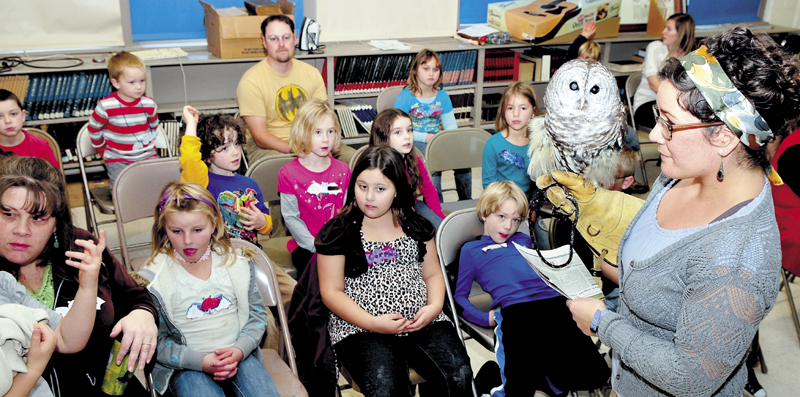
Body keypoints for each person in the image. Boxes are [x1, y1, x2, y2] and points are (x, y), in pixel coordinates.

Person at [543, 27, 800, 396]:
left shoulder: (739, 259)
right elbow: (666, 277)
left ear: (725, 136)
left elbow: (690, 377)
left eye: (669, 123)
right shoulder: (682, 174)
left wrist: (602, 323)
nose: (654, 135)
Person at [316, 145, 472, 396]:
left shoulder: (416, 225)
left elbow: (432, 274)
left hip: (421, 319)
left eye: (380, 189)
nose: (369, 197)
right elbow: (331, 292)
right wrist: (373, 323)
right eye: (362, 186)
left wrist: (433, 308)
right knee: (386, 388)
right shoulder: (338, 231)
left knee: (458, 375)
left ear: (397, 189)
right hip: (362, 326)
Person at [0, 155, 158, 396]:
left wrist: (143, 315)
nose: (22, 231)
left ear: (55, 222)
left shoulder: (83, 248)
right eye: (8, 214)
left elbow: (135, 296)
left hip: (109, 388)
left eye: (38, 217)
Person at [454, 181, 610, 397]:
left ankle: (548, 381)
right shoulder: (472, 250)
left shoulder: (524, 240)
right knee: (519, 387)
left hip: (554, 303)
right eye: (501, 216)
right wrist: (483, 318)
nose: (508, 226)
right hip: (517, 310)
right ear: (484, 213)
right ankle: (493, 382)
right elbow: (458, 297)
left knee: (594, 373)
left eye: (516, 219)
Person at [137, 182, 279, 397]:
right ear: (163, 228)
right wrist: (200, 361)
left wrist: (239, 350)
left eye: (197, 230)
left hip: (239, 355)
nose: (187, 240)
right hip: (185, 366)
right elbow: (158, 342)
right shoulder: (156, 278)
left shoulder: (235, 265)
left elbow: (257, 317)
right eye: (176, 231)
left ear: (214, 225)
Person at [237, 14, 356, 165]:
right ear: (264, 43)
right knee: (288, 168)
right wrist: (299, 151)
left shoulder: (311, 73)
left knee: (355, 160)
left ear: (295, 38)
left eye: (286, 37)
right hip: (271, 148)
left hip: (315, 139)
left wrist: (321, 146)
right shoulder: (251, 81)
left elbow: (324, 117)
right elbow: (261, 137)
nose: (281, 44)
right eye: (273, 39)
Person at [179, 106, 272, 246]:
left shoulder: (250, 184)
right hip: (216, 256)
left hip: (249, 254)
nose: (235, 152)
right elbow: (190, 158)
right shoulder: (201, 183)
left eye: (237, 143)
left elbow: (267, 225)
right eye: (224, 148)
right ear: (206, 156)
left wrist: (262, 222)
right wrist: (191, 124)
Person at [278, 99, 351, 275]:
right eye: (317, 132)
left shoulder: (343, 170)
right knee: (318, 278)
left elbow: (348, 210)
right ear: (302, 134)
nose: (326, 139)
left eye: (330, 131)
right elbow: (291, 218)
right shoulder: (288, 174)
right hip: (307, 247)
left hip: (339, 243)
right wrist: (315, 246)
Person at [394, 48, 471, 201]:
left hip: (437, 139)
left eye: (435, 69)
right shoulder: (405, 97)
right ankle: (437, 203)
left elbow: (451, 125)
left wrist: (444, 139)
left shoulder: (442, 95)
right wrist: (427, 137)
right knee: (433, 163)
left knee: (463, 158)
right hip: (414, 140)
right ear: (416, 70)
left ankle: (466, 201)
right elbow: (398, 130)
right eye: (426, 68)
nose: (431, 74)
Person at [482, 81, 551, 249]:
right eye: (510, 108)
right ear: (503, 112)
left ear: (534, 111)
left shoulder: (539, 145)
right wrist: (506, 212)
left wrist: (532, 208)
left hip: (527, 208)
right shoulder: (493, 144)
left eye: (523, 108)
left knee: (544, 241)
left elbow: (540, 184)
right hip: (500, 207)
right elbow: (489, 184)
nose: (516, 114)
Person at [87, 51, 159, 189]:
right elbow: (93, 129)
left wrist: (146, 142)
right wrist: (102, 149)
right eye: (132, 82)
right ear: (116, 83)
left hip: (147, 155)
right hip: (118, 158)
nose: (139, 87)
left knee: (156, 188)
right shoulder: (106, 107)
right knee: (121, 192)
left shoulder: (149, 104)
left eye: (142, 81)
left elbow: (154, 126)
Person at [368, 108, 444, 229]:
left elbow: (429, 191)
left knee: (439, 230)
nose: (407, 136)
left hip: (411, 207)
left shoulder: (415, 160)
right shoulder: (373, 165)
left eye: (409, 130)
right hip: (383, 214)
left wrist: (440, 220)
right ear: (384, 138)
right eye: (398, 132)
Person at [632, 13, 695, 129]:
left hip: (678, 106)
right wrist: (679, 103)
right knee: (681, 121)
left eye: (669, 29)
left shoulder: (690, 56)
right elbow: (653, 84)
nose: (663, 32)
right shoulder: (655, 47)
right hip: (649, 104)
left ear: (681, 33)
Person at [0, 90, 59, 169]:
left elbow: (55, 179)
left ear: (23, 115)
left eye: (13, 114)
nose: (8, 121)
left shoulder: (40, 145)